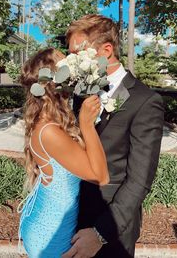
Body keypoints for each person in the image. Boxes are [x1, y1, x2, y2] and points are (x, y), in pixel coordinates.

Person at [63, 14, 164, 258]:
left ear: (106, 50)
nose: (71, 61)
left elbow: (139, 180)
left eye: (77, 54)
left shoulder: (145, 101)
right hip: (71, 216)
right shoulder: (80, 92)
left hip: (111, 226)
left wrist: (100, 233)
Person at [18, 48, 109, 258]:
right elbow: (101, 177)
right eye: (66, 61)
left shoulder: (49, 121)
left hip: (47, 222)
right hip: (50, 235)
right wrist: (86, 124)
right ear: (53, 79)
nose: (72, 61)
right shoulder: (49, 131)